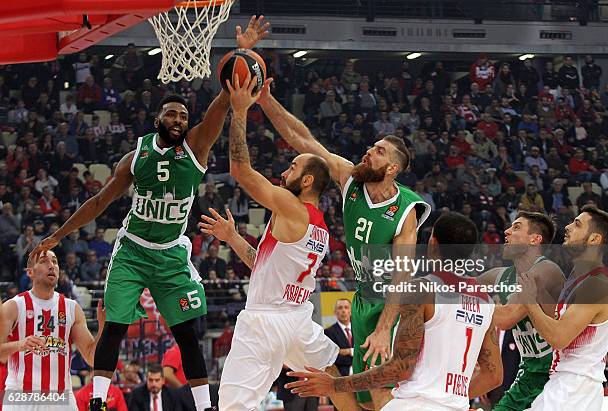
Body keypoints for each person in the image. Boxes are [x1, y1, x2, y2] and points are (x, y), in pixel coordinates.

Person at [29, 18, 269, 411]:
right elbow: (98, 203)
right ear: (157, 121)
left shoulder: (197, 147)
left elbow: (221, 103)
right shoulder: (134, 157)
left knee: (189, 333)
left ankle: (205, 405)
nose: (178, 120)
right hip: (134, 250)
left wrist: (241, 53)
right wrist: (60, 235)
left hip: (172, 253)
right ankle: (98, 400)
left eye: (182, 116)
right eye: (171, 115)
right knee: (116, 326)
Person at [258, 76, 431, 410]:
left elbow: (401, 278)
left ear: (392, 168)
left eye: (378, 152)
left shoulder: (406, 210)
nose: (369, 152)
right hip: (363, 299)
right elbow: (303, 139)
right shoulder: (350, 178)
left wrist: (384, 329)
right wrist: (267, 101)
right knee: (361, 399)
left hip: (392, 305)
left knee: (383, 393)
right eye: (371, 147)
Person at [198, 73, 358, 411]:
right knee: (330, 376)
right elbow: (264, 263)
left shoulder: (292, 207)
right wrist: (232, 237)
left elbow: (240, 170)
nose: (285, 172)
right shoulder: (321, 228)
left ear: (308, 180)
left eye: (293, 166)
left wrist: (239, 110)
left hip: (264, 320)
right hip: (298, 317)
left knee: (231, 406)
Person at [284, 213, 503, 410]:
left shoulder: (421, 289)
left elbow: (401, 368)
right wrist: (449, 397)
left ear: (432, 243)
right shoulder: (485, 300)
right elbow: (493, 375)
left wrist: (334, 385)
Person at [520, 205, 608, 411]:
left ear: (594, 240)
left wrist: (528, 301)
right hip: (568, 386)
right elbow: (560, 322)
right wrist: (540, 293)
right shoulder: (578, 278)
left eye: (577, 224)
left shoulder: (596, 284)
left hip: (575, 389)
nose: (568, 227)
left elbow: (559, 337)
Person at [477, 211, 565, 410]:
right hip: (529, 371)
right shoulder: (499, 275)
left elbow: (506, 318)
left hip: (557, 372)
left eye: (516, 227)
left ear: (535, 239)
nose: (507, 231)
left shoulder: (546, 270)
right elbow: (453, 289)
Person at [0, 250, 105, 410]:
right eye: (44, 261)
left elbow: (92, 358)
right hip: (21, 396)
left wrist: (103, 327)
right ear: (30, 272)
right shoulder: (14, 306)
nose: (52, 266)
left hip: (61, 397)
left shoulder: (72, 308)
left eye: (54, 261)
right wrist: (20, 345)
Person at [324, 299, 353, 377]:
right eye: (340, 308)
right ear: (335, 312)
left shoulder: (359, 329)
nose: (343, 311)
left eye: (346, 307)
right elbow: (333, 358)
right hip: (342, 375)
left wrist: (350, 351)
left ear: (351, 311)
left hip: (362, 372)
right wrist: (356, 356)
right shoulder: (328, 332)